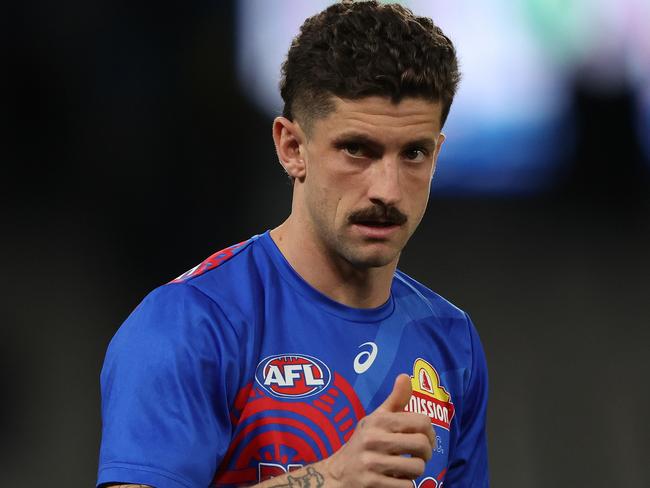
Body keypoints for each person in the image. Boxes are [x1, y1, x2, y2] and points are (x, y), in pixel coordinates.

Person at [97, 1, 489, 487]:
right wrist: (332, 479)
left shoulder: (452, 341)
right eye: (357, 150)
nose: (387, 190)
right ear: (291, 148)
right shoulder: (190, 323)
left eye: (413, 153)